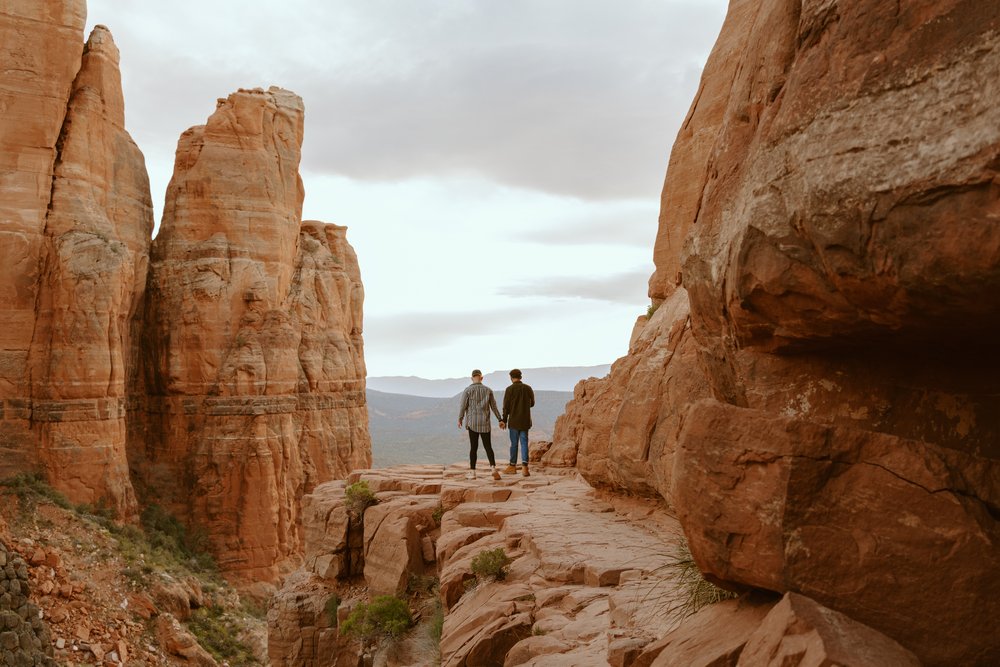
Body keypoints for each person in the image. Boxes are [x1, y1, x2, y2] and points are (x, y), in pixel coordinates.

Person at [457, 369, 502, 480]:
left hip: (473, 423)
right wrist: (500, 419)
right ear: (481, 378)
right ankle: (493, 468)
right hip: (485, 423)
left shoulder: (467, 390)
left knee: (474, 447)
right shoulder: (488, 390)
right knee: (488, 446)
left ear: (472, 378)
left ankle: (472, 473)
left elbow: (463, 406)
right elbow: (494, 407)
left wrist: (460, 418)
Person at [501, 368, 535, 477]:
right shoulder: (528, 388)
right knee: (524, 443)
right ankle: (525, 468)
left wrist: (504, 420)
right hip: (525, 421)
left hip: (514, 421)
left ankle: (512, 466)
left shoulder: (509, 389)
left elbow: (506, 407)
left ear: (511, 378)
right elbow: (532, 403)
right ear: (521, 377)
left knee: (514, 444)